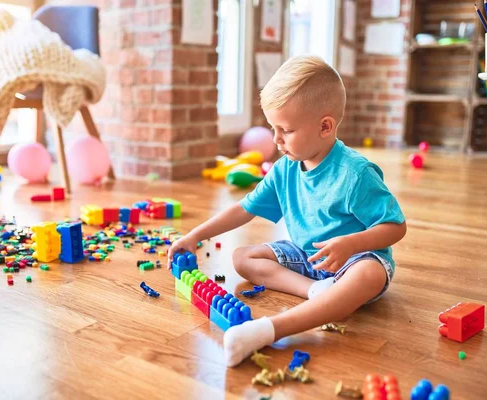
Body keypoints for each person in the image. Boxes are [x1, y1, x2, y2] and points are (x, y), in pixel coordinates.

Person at [168, 55, 406, 367]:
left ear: (325, 126)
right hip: (308, 258)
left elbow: (395, 226)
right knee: (243, 258)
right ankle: (318, 292)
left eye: (286, 130)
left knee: (370, 274)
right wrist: (195, 236)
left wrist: (351, 243)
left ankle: (269, 331)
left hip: (354, 260)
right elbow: (244, 209)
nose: (276, 140)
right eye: (272, 128)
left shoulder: (355, 173)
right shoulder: (285, 169)